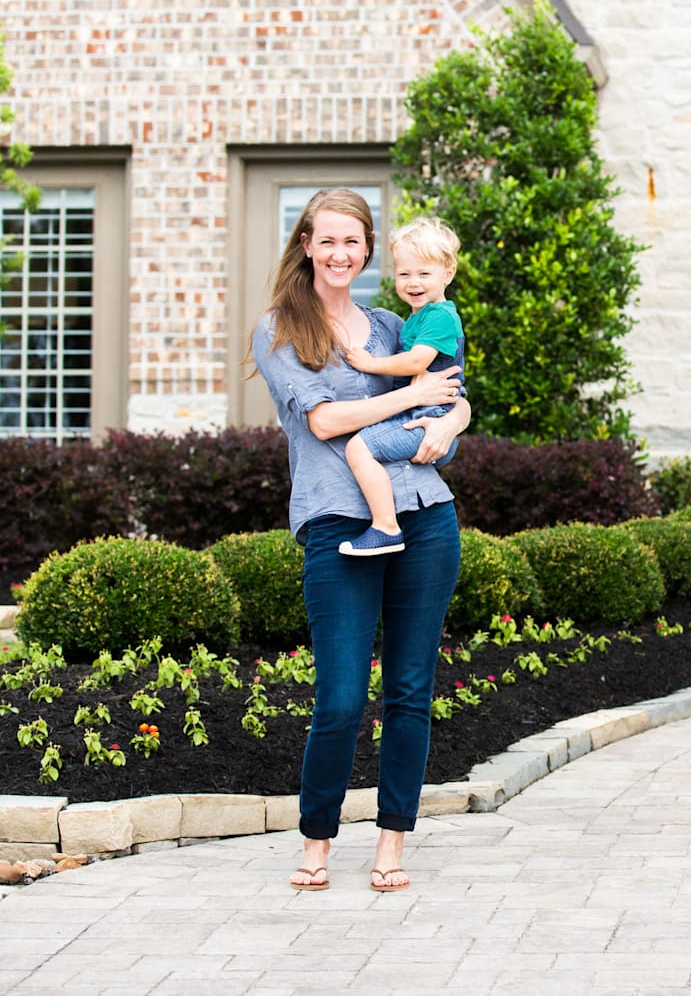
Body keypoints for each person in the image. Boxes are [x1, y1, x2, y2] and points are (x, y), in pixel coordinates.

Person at [249, 187, 468, 894]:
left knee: (409, 691)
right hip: (338, 525)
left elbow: (450, 391)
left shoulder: (388, 324)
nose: (340, 253)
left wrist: (452, 421)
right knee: (340, 698)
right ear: (306, 245)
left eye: (354, 242)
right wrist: (414, 400)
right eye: (327, 240)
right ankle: (317, 843)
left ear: (367, 250)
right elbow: (324, 423)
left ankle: (392, 846)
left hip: (425, 516)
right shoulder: (281, 330)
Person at [337, 217, 467, 557]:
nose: (413, 282)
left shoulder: (439, 317)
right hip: (423, 416)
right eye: (404, 274)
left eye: (424, 274)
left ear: (447, 273)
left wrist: (369, 363)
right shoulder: (416, 318)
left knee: (359, 448)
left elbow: (415, 364)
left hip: (428, 418)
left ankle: (386, 527)